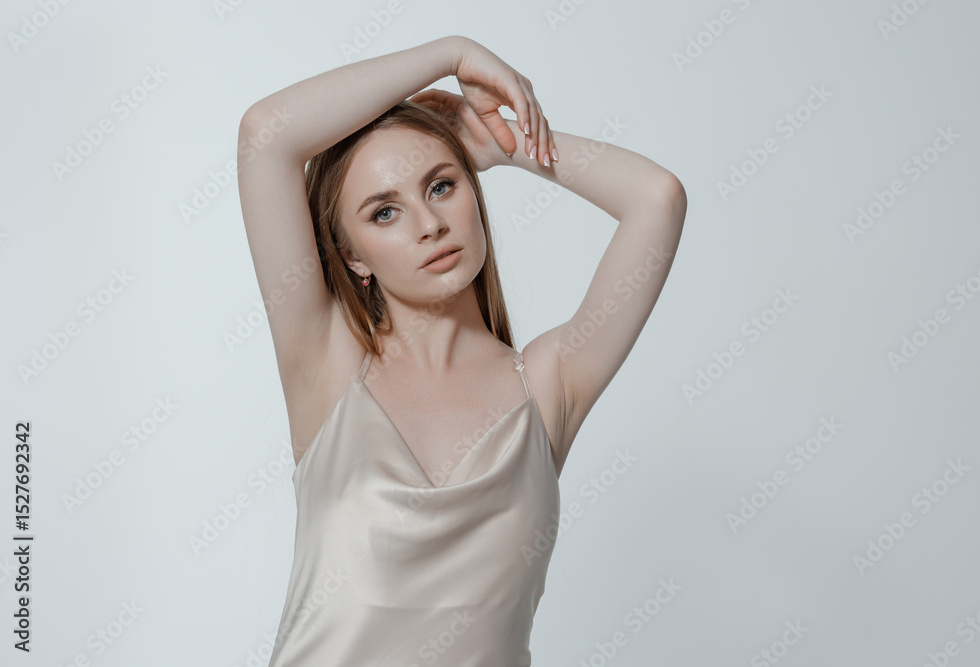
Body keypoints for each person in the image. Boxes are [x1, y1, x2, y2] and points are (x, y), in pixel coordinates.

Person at [237, 34, 686, 666]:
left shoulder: (549, 384)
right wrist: (451, 54)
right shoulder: (327, 362)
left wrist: (504, 148)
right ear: (353, 257)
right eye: (384, 213)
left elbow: (657, 198)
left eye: (442, 186)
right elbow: (265, 135)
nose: (428, 224)